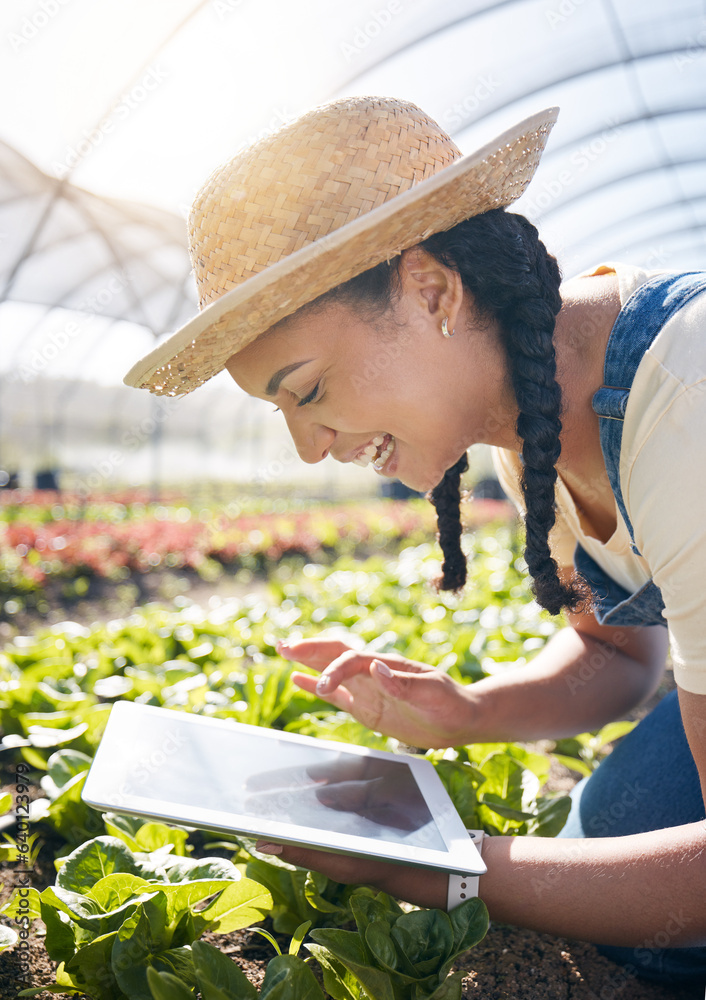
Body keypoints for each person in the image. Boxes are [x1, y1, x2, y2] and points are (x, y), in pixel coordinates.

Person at [124, 96, 706, 984]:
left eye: (308, 390)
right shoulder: (535, 427)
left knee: (641, 898)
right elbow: (619, 652)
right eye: (280, 412)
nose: (308, 448)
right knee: (615, 835)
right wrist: (467, 712)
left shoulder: (686, 399)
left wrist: (433, 867)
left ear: (433, 289)